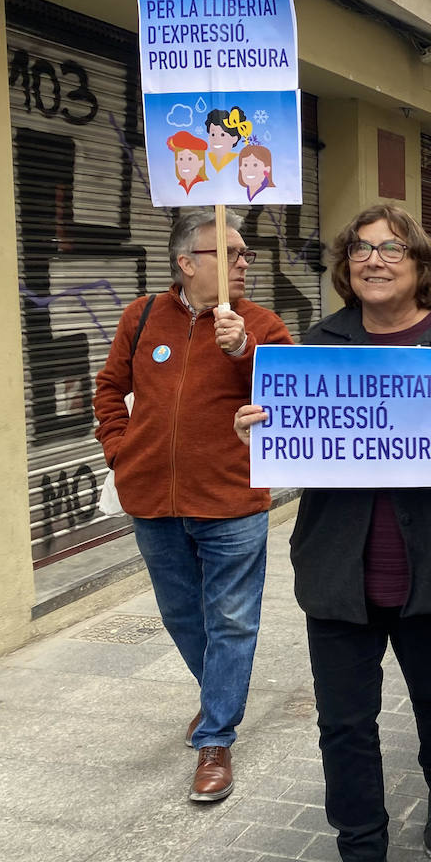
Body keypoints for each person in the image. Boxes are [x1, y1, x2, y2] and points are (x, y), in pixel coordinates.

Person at [235, 206, 431, 862]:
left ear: (420, 262)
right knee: (343, 721)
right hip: (340, 568)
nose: (374, 259)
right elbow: (301, 446)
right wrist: (261, 432)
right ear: (346, 266)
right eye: (361, 249)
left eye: (390, 248)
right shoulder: (322, 340)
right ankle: (363, 851)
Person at [93, 209, 292, 803]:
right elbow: (108, 388)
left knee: (231, 620)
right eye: (228, 254)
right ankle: (217, 700)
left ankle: (216, 738)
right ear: (186, 263)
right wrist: (119, 453)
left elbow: (288, 401)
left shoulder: (261, 324)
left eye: (245, 255)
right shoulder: (144, 314)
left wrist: (245, 350)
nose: (242, 263)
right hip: (151, 498)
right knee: (183, 617)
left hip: (232, 499)